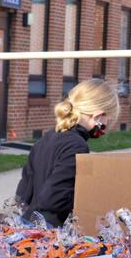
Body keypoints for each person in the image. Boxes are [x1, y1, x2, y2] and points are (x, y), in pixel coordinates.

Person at [15, 78, 120, 227]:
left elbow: (23, 191)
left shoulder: (48, 137)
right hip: (48, 230)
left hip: (25, 222)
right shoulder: (77, 146)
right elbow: (56, 196)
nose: (106, 126)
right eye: (108, 120)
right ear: (98, 116)